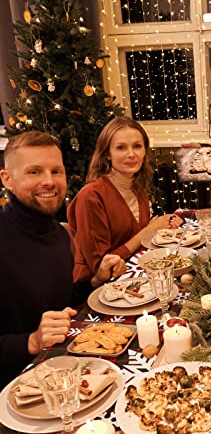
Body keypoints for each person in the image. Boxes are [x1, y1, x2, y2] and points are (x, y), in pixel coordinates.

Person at [0, 132, 126, 390]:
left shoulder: (60, 234)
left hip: (66, 370)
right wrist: (31, 341)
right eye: (34, 172)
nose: (49, 181)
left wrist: (96, 280)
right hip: (16, 391)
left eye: (56, 171)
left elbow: (61, 302)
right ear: (7, 179)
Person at [67, 117, 183, 282]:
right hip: (98, 289)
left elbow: (136, 237)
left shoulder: (137, 186)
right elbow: (103, 267)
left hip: (136, 274)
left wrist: (161, 228)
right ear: (107, 153)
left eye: (137, 146)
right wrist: (147, 232)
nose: (131, 154)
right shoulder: (91, 196)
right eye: (121, 148)